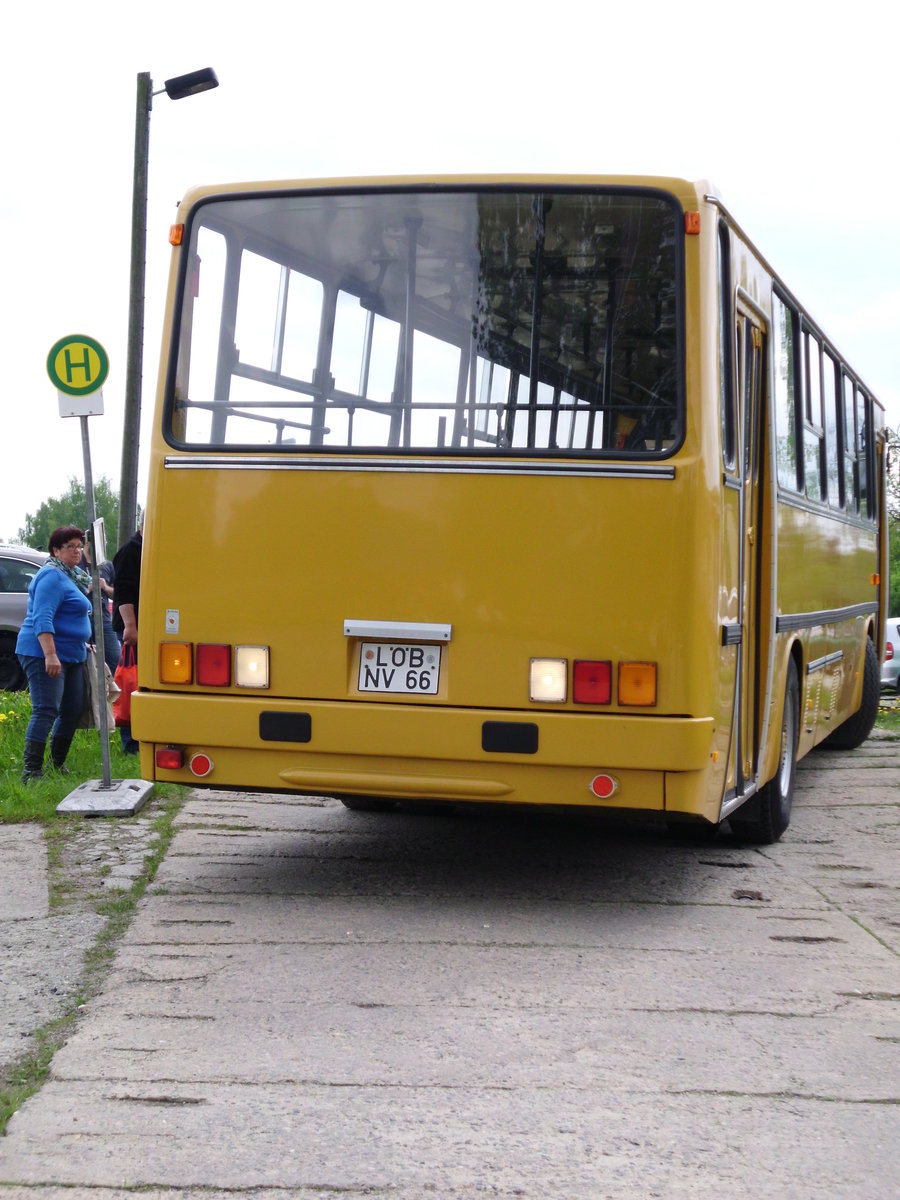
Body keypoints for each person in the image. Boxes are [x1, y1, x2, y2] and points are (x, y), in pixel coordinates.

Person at [15, 526, 92, 781]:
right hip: (43, 653)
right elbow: (42, 617)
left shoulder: (72, 576)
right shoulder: (51, 576)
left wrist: (83, 641)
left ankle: (56, 765)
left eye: (80, 546)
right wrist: (50, 654)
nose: (77, 551)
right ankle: (31, 771)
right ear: (56, 550)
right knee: (46, 709)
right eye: (70, 546)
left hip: (72, 654)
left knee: (72, 709)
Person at [112, 513, 143, 754]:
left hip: (144, 626)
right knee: (130, 682)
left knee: (138, 682)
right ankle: (130, 742)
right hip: (132, 628)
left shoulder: (147, 547)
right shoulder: (131, 551)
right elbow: (123, 591)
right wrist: (130, 627)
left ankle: (141, 737)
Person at [81, 540, 121, 677]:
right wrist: (88, 587)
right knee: (83, 660)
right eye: (98, 541)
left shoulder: (107, 565)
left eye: (103, 542)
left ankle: (113, 693)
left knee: (115, 657)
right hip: (81, 618)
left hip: (104, 618)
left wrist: (105, 587)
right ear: (87, 542)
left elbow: (119, 594)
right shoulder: (76, 563)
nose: (101, 544)